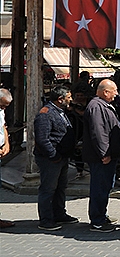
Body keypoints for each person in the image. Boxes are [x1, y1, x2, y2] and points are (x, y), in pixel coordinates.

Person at [33, 86, 78, 231]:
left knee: (60, 187)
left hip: (62, 157)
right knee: (48, 189)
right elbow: (42, 139)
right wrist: (53, 155)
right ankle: (46, 219)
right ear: (60, 99)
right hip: (50, 159)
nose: (71, 100)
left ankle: (59, 213)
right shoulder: (45, 114)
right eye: (68, 97)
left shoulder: (61, 112)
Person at [83, 79, 120, 232]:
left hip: (108, 156)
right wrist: (105, 153)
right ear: (105, 92)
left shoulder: (103, 105)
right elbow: (98, 132)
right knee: (99, 187)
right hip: (101, 157)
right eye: (114, 90)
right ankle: (97, 220)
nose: (116, 94)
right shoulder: (96, 107)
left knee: (106, 186)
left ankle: (101, 214)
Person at [0, 88, 14, 228]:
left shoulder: (1, 111)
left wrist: (6, 143)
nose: (3, 108)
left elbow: (3, 126)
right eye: (2, 105)